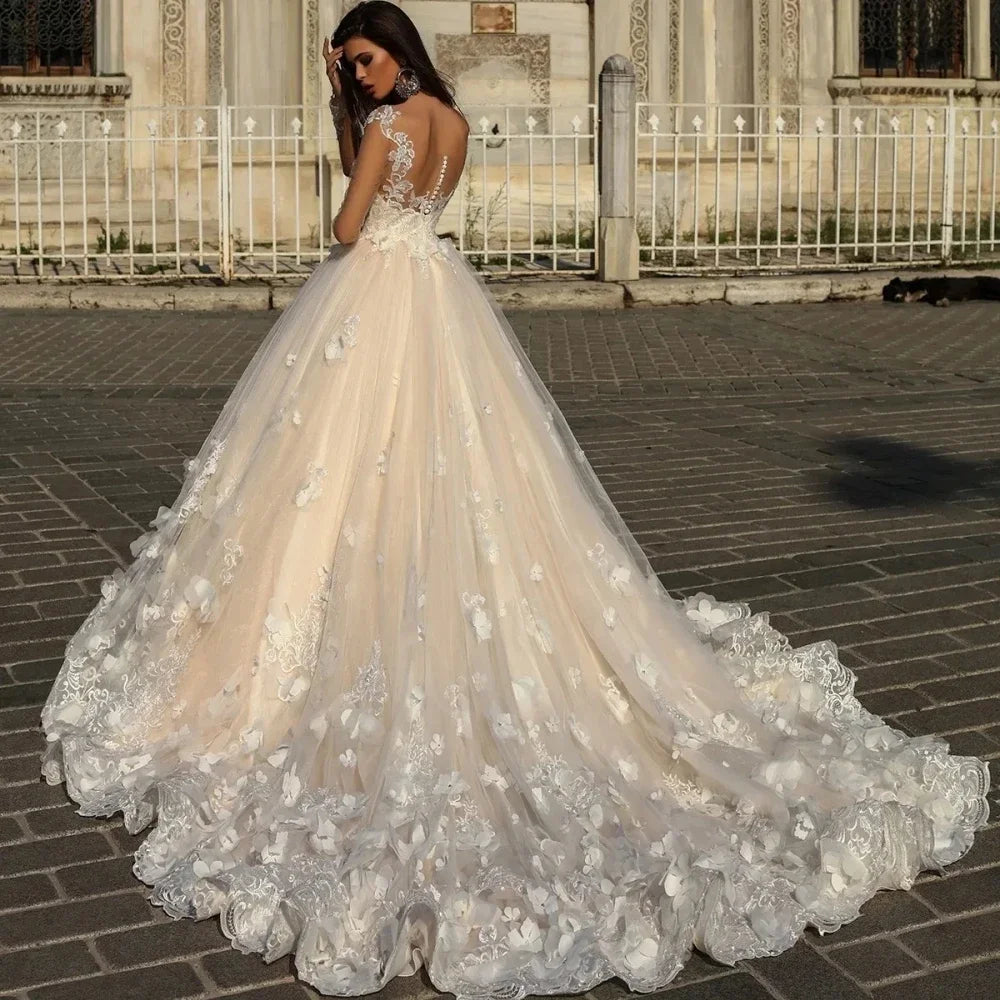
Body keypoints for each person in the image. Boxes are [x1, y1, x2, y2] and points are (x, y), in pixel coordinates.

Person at [39, 2, 990, 998]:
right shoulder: (450, 118)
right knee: (455, 467)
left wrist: (350, 124)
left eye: (363, 59)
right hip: (439, 296)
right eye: (349, 66)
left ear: (393, 51)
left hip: (375, 302)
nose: (357, 75)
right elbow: (412, 199)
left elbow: (348, 226)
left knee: (341, 466)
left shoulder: (386, 123)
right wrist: (352, 116)